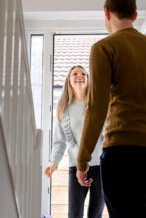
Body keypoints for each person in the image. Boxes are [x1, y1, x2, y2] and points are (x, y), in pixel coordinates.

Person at [76, 0, 146, 217]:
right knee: (137, 211)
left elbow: (96, 108)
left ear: (107, 13)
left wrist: (82, 159)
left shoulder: (104, 48)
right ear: (135, 15)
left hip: (122, 151)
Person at [45, 66, 105, 218]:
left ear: (88, 79)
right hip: (76, 167)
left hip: (100, 167)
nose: (80, 76)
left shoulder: (97, 106)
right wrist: (54, 162)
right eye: (75, 73)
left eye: (83, 73)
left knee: (95, 214)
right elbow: (59, 142)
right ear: (69, 81)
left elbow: (107, 135)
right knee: (74, 214)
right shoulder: (63, 109)